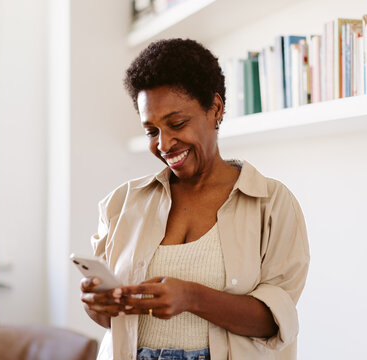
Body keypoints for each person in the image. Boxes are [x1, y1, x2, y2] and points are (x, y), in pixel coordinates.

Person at [80, 38, 310, 360]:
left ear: (215, 109)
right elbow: (114, 323)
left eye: (176, 124)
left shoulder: (271, 203)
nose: (163, 144)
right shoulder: (121, 204)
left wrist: (191, 297)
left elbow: (275, 321)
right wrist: (98, 306)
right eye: (151, 131)